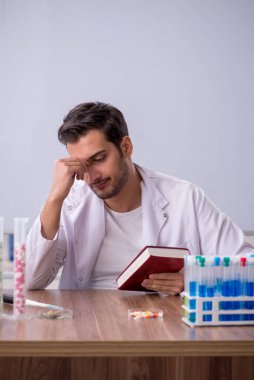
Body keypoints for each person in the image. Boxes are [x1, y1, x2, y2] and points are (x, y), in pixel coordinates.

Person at [26, 102, 254, 293]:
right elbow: (30, 280)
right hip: (88, 327)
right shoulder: (70, 202)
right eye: (82, 165)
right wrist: (54, 198)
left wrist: (194, 280)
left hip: (161, 328)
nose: (91, 176)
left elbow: (248, 265)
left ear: (126, 147)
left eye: (99, 159)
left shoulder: (186, 198)